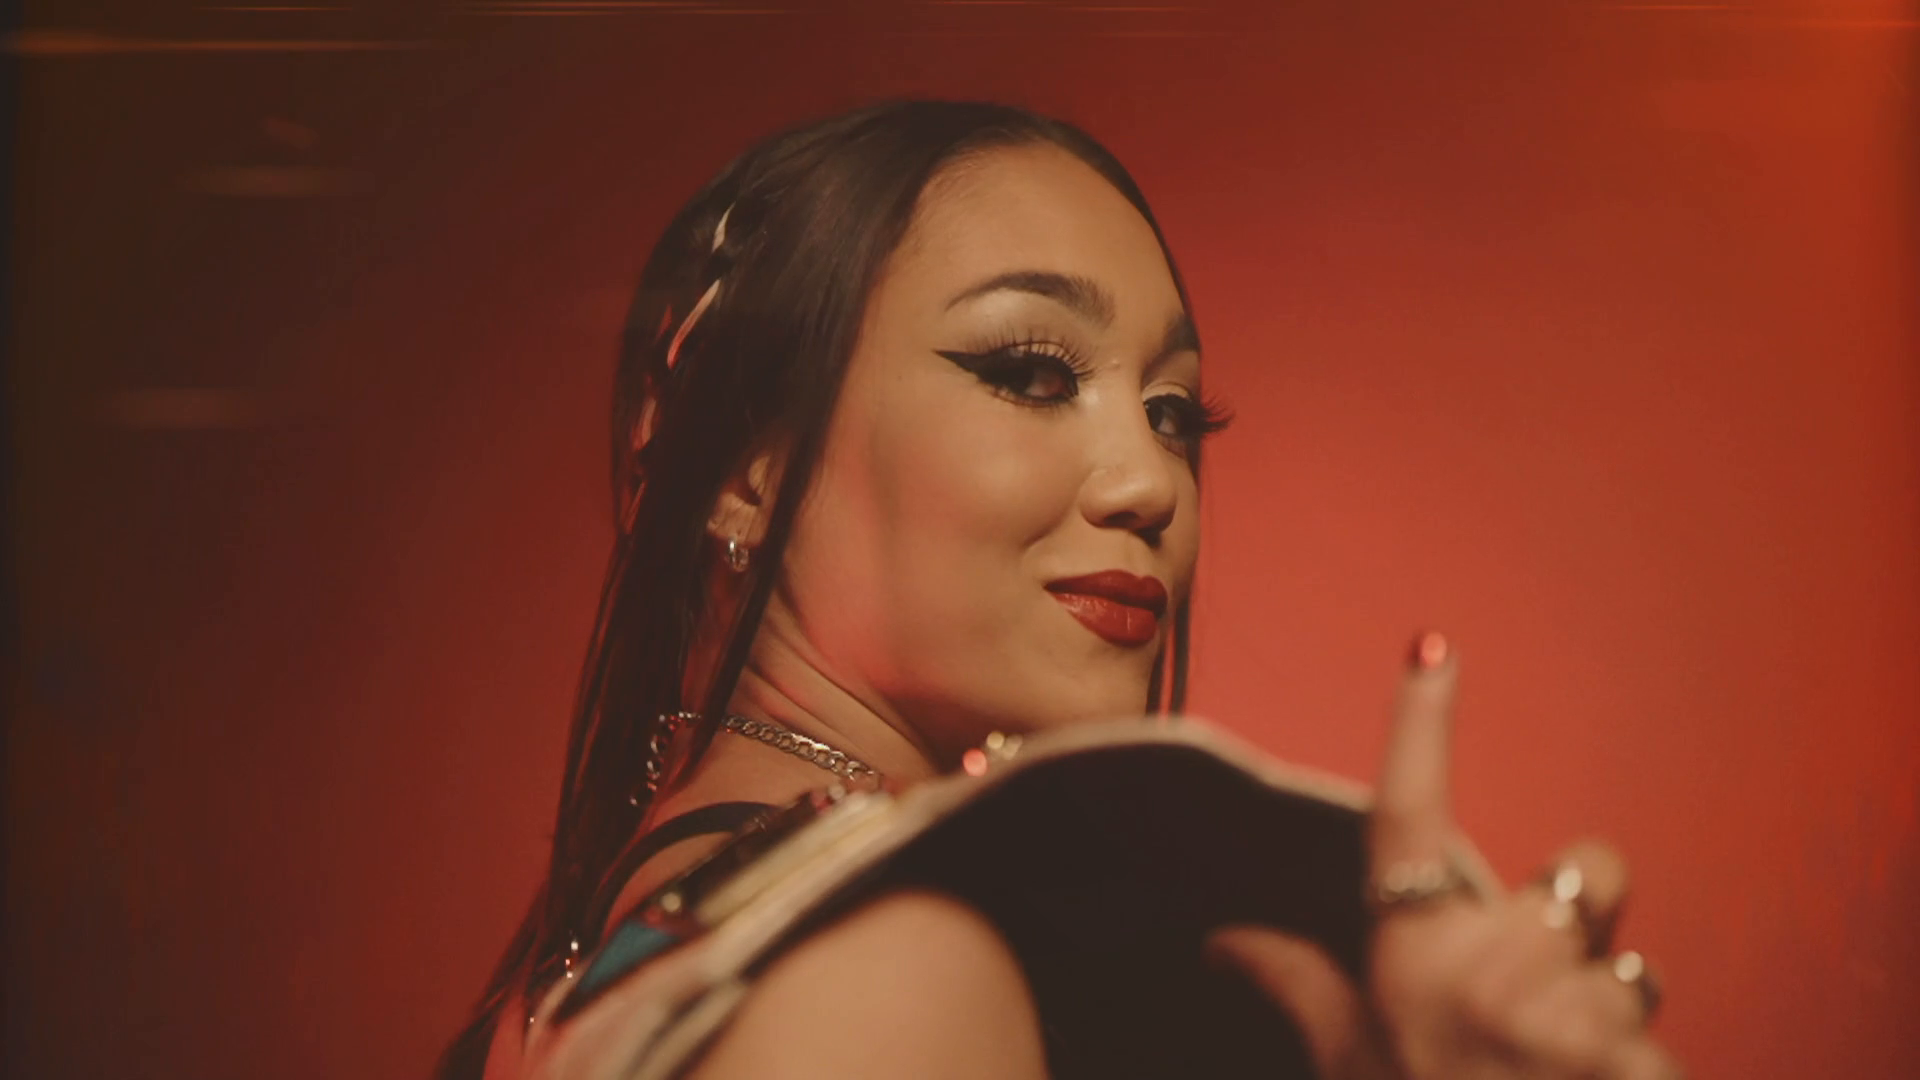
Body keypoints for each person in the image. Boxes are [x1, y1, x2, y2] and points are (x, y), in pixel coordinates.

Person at [440, 99, 1681, 1079]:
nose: (1149, 481)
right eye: (1030, 373)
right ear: (744, 471)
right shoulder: (895, 981)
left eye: (1174, 410)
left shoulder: (617, 944)